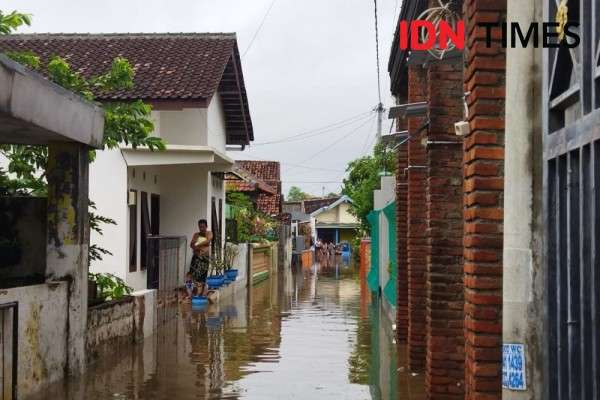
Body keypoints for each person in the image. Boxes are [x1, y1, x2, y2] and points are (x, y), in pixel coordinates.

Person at [190, 219, 213, 296]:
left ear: (206, 226)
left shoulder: (209, 233)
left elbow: (208, 240)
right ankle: (193, 291)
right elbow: (191, 244)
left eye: (203, 227)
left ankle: (202, 293)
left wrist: (197, 244)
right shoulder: (196, 234)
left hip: (205, 258)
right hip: (196, 257)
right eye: (200, 227)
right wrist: (199, 247)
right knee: (192, 274)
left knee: (203, 275)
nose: (201, 228)